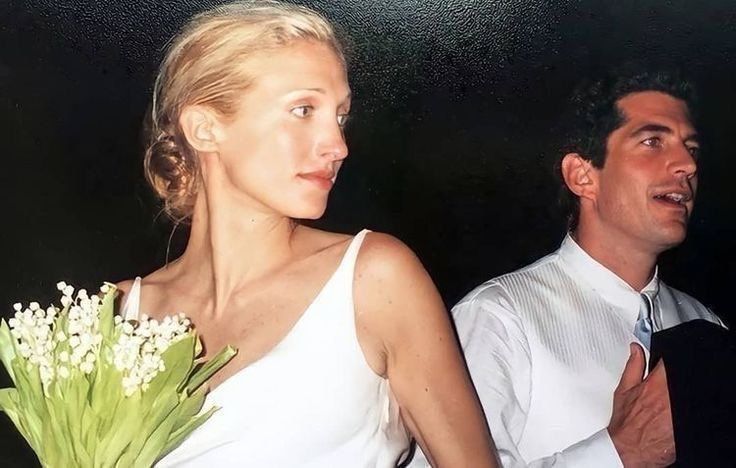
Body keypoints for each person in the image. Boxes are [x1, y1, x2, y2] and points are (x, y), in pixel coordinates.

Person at [116, 1, 497, 467]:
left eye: (339, 117)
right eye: (302, 109)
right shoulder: (116, 317)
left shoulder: (371, 279)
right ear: (205, 127)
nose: (338, 146)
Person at [450, 70, 722, 467]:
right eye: (652, 141)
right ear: (582, 176)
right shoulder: (499, 318)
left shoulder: (709, 328)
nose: (687, 165)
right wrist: (619, 454)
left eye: (691, 149)